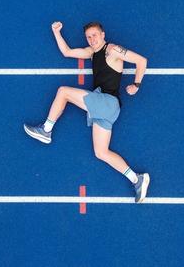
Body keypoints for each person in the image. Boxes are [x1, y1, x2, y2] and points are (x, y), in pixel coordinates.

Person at [24, 21, 150, 203]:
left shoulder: (112, 50)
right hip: (105, 108)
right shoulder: (92, 53)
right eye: (89, 37)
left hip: (107, 102)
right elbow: (67, 52)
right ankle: (137, 180)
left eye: (95, 35)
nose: (92, 39)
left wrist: (136, 85)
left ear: (103, 35)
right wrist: (56, 32)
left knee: (63, 92)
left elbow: (141, 61)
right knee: (101, 152)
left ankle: (46, 130)